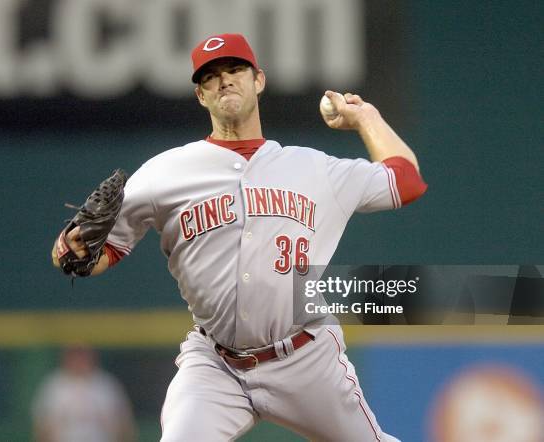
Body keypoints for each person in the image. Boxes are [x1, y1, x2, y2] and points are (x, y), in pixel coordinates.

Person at [52, 33, 426, 441]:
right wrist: (69, 250)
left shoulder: (313, 169)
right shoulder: (165, 173)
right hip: (216, 366)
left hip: (306, 358)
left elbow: (405, 181)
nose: (224, 81)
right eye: (211, 76)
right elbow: (97, 253)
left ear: (258, 80)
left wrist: (366, 118)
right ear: (200, 95)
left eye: (234, 70)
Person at [31, 345, 137, 442]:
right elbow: (41, 428)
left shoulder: (106, 386)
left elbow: (125, 425)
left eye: (82, 354)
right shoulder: (54, 386)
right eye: (75, 355)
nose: (79, 360)